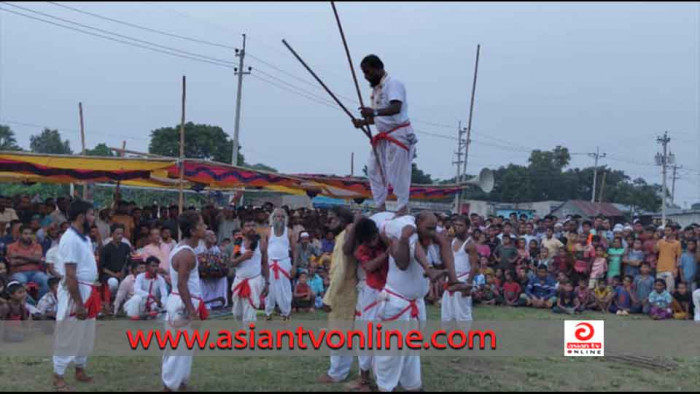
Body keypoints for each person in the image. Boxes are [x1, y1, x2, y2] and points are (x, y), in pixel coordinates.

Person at [372, 211, 463, 393]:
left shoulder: (426, 235)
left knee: (412, 349)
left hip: (414, 303)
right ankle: (386, 387)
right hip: (396, 302)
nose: (432, 231)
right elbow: (402, 263)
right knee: (390, 351)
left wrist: (454, 280)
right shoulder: (402, 231)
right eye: (428, 228)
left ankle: (412, 384)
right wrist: (407, 242)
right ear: (418, 222)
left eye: (433, 227)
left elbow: (444, 243)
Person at [352, 54, 417, 215]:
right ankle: (380, 205)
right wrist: (363, 122)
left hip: (399, 135)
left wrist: (372, 112)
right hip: (384, 137)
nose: (366, 77)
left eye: (368, 72)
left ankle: (402, 208)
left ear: (378, 68)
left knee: (397, 174)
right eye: (364, 73)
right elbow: (381, 118)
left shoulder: (393, 83)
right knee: (374, 170)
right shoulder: (376, 89)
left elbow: (396, 108)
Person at [52, 200, 100, 391]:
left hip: (88, 288)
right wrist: (79, 303)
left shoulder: (85, 238)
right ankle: (58, 375)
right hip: (76, 290)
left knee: (87, 332)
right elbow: (70, 274)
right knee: (69, 332)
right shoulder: (70, 238)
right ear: (81, 217)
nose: (93, 218)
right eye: (91, 214)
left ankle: (80, 368)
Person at [161, 211, 209, 392]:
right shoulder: (186, 254)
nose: (205, 227)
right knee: (178, 349)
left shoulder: (187, 250)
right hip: (183, 303)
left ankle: (180, 383)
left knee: (185, 348)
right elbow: (182, 285)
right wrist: (192, 311)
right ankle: (170, 387)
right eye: (202, 224)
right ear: (193, 230)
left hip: (186, 301)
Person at [345, 212, 392, 391]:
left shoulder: (385, 239)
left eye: (374, 238)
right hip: (371, 294)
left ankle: (385, 379)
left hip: (390, 293)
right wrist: (387, 253)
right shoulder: (362, 249)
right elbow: (370, 266)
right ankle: (364, 378)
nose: (372, 242)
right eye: (368, 240)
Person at [318, 207, 360, 385]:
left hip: (342, 292)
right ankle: (340, 371)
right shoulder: (343, 237)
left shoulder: (344, 238)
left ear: (343, 221)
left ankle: (336, 373)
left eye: (332, 219)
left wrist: (328, 297)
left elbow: (341, 272)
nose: (329, 223)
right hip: (347, 291)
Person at [230, 218, 269, 322]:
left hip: (254, 282)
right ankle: (241, 336)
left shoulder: (261, 243)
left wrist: (267, 283)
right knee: (237, 314)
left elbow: (265, 264)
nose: (251, 228)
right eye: (248, 226)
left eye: (253, 225)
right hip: (239, 281)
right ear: (242, 230)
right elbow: (231, 263)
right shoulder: (238, 244)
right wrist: (242, 257)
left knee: (250, 315)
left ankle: (248, 337)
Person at [441, 215, 478, 322]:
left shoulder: (470, 244)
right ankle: (448, 334)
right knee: (447, 311)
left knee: (462, 313)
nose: (457, 227)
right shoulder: (452, 240)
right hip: (451, 278)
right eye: (456, 225)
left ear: (467, 227)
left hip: (463, 279)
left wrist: (468, 284)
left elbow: (474, 265)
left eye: (461, 225)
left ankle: (464, 336)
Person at [264, 208, 295, 321]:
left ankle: (286, 312)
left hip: (284, 263)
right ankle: (268, 313)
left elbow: (295, 251)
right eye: (277, 216)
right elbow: (264, 249)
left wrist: (294, 266)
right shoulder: (267, 231)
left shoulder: (290, 232)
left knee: (285, 289)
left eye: (282, 216)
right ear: (273, 218)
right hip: (270, 263)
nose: (279, 218)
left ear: (285, 219)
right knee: (270, 288)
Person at [6, 224, 50, 298]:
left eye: (30, 234)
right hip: (18, 272)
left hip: (35, 273)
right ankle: (29, 304)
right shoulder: (11, 246)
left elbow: (37, 259)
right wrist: (31, 259)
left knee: (46, 280)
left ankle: (39, 303)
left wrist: (19, 256)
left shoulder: (37, 246)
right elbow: (13, 262)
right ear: (20, 234)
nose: (28, 236)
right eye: (25, 234)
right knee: (21, 281)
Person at [99, 224, 132, 298]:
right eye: (117, 234)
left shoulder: (126, 247)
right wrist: (114, 274)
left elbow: (129, 263)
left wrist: (129, 273)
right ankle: (112, 298)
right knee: (113, 282)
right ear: (112, 234)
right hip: (109, 275)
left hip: (123, 274)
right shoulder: (106, 248)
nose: (120, 236)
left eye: (121, 234)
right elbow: (103, 268)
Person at [654, 227, 682, 293]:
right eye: (665, 230)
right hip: (660, 268)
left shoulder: (677, 243)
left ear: (673, 232)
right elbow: (655, 251)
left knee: (670, 291)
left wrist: (676, 269)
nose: (666, 232)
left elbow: (679, 257)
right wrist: (656, 240)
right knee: (659, 290)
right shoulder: (660, 241)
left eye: (668, 230)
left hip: (671, 269)